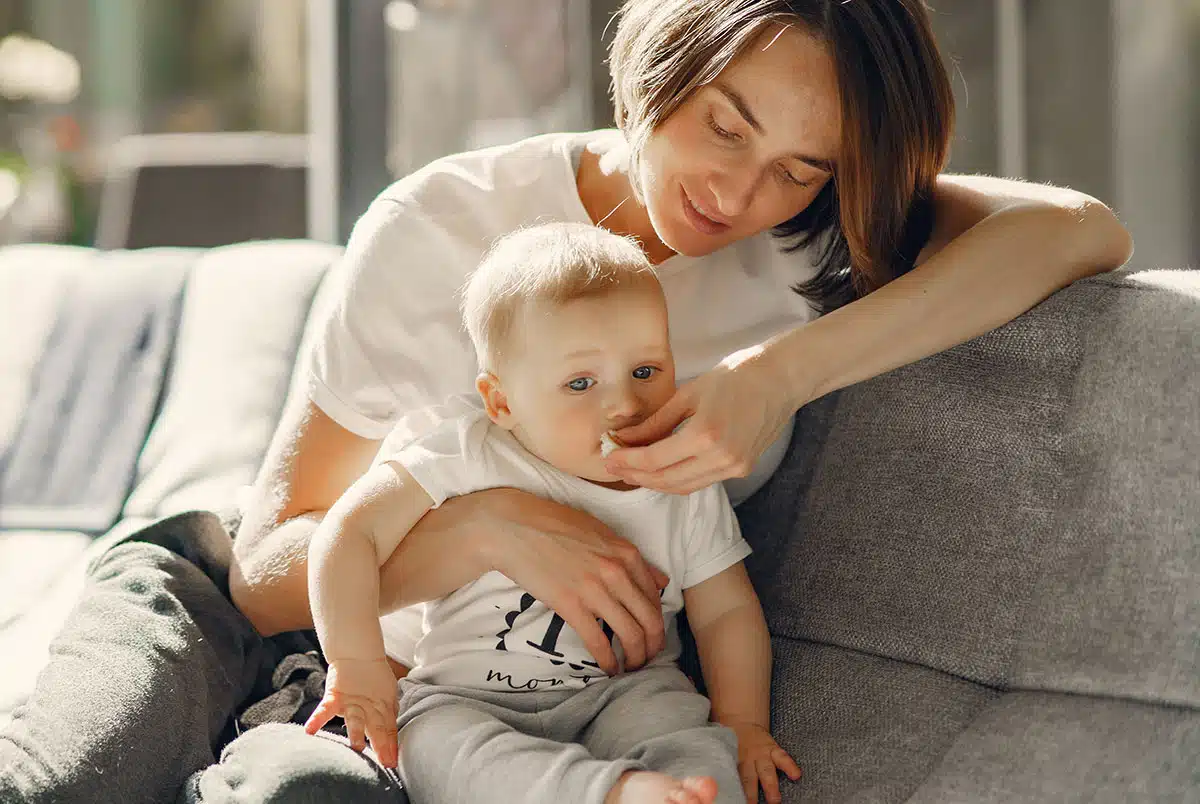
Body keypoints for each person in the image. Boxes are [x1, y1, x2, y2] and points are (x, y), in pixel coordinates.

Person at [0, 2, 1133, 803]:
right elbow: (262, 574)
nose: (741, 192)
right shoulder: (441, 225)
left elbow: (1083, 228)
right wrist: (485, 530)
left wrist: (775, 376)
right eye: (727, 123)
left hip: (586, 695)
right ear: (658, 54)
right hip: (315, 625)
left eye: (801, 166)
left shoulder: (810, 240)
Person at [302, 222, 800, 804]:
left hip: (626, 692)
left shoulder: (682, 478)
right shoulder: (468, 452)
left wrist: (743, 724)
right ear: (503, 401)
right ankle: (613, 795)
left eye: (646, 371)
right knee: (434, 753)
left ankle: (668, 792)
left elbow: (726, 611)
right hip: (467, 697)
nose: (623, 404)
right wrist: (356, 662)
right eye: (580, 382)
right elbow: (347, 533)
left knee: (693, 744)